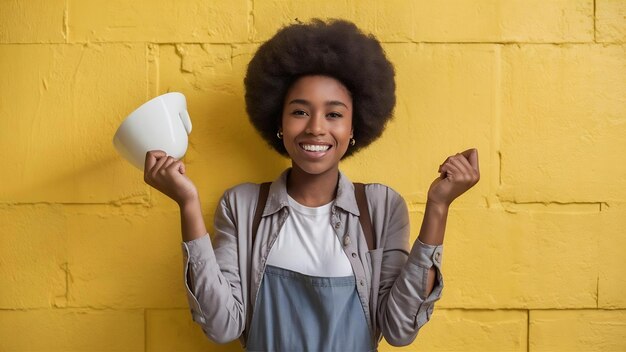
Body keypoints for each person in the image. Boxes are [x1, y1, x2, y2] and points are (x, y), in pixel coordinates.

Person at [144, 18, 479, 352]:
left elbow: (400, 329)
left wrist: (438, 207)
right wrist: (187, 204)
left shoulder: (381, 207)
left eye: (334, 114)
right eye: (300, 112)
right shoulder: (242, 206)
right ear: (279, 121)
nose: (316, 128)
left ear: (353, 128)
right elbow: (221, 326)